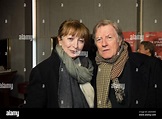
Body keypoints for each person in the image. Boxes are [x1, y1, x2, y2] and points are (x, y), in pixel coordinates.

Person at [23, 19, 94, 108]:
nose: (76, 46)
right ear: (60, 40)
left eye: (81, 41)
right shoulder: (42, 72)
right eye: (70, 39)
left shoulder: (87, 67)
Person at [92, 19, 162, 108]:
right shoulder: (93, 69)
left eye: (109, 37)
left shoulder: (149, 65)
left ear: (120, 40)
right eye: (99, 39)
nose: (104, 43)